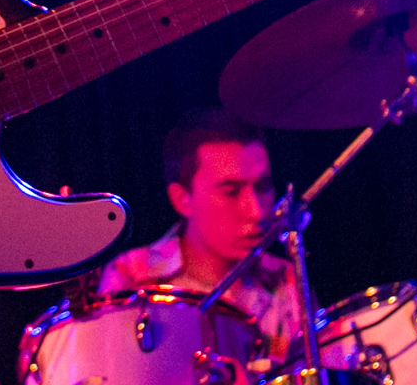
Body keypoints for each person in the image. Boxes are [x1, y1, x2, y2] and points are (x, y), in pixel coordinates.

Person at [99, 108, 303, 357]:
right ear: (182, 199)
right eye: (231, 192)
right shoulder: (130, 276)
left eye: (263, 187)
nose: (257, 211)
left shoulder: (287, 279)